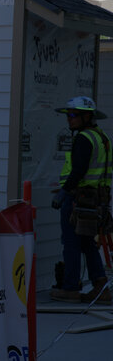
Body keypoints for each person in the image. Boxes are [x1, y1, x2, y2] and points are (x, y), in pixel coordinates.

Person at [50, 96, 112, 304]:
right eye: (68, 115)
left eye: (74, 115)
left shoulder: (84, 138)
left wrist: (63, 193)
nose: (69, 119)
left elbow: (78, 171)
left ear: (87, 116)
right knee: (86, 242)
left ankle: (70, 288)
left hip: (79, 199)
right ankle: (101, 286)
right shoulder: (101, 137)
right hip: (95, 199)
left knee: (72, 243)